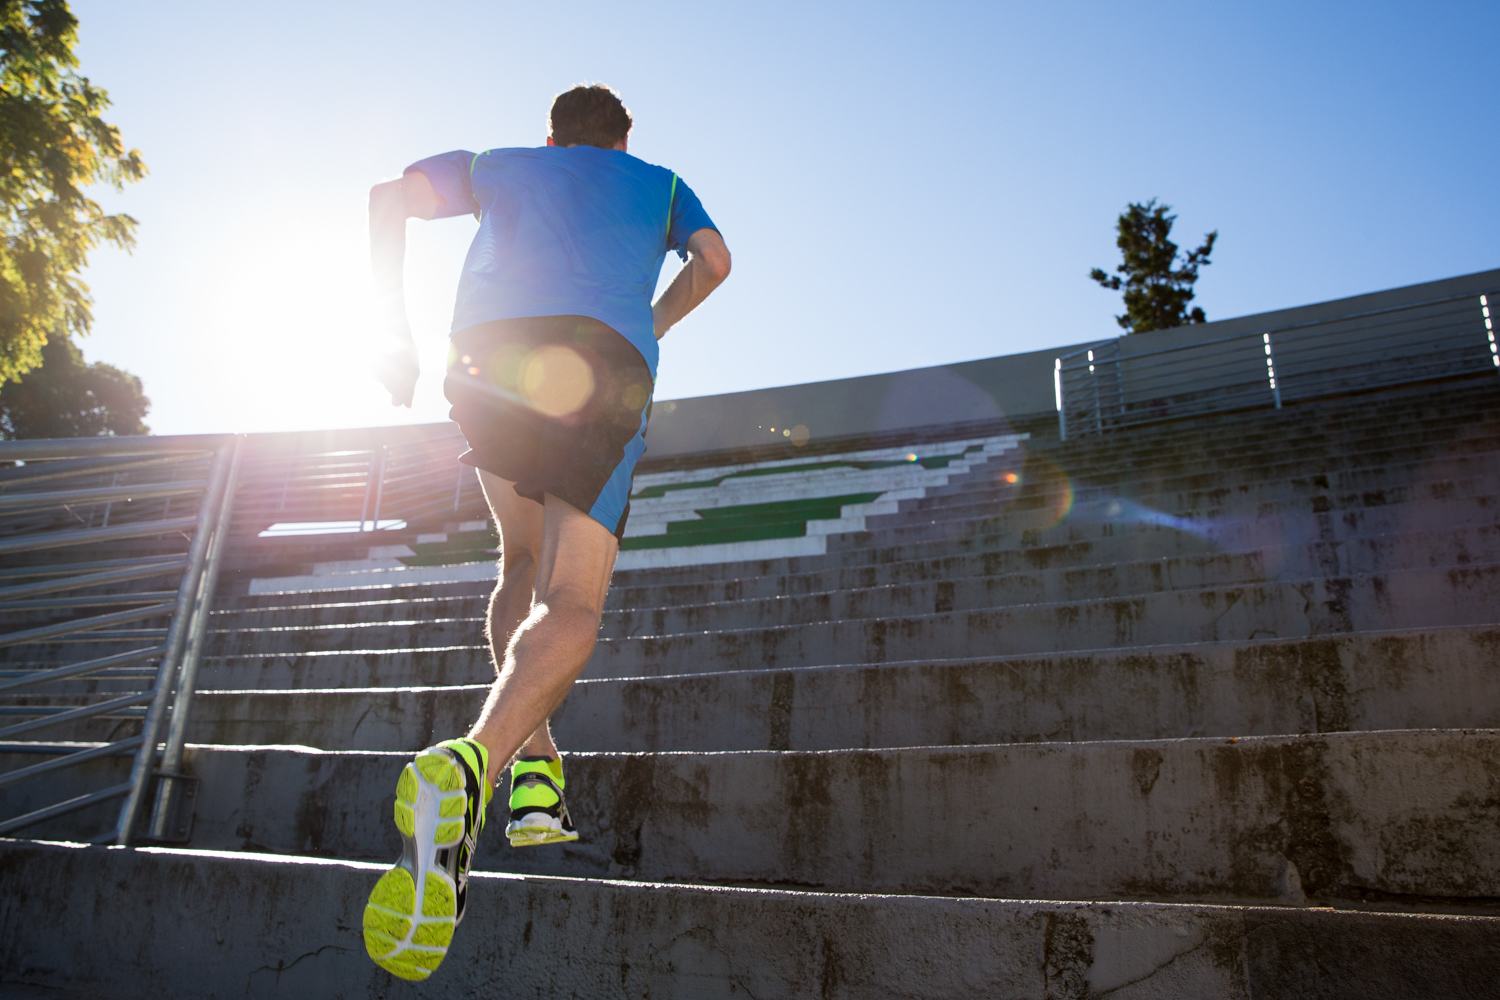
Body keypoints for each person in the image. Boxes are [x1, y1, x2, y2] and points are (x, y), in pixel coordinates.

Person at [359, 84, 730, 981]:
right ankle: (474, 766)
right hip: (600, 359)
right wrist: (650, 319)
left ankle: (537, 774)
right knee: (572, 594)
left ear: (554, 136)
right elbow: (715, 262)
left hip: (485, 359)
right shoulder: (663, 183)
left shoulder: (501, 165)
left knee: (517, 561)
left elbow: (386, 198)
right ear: (622, 142)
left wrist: (392, 331)